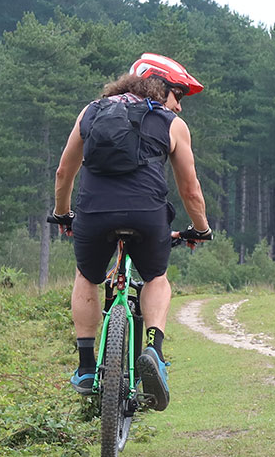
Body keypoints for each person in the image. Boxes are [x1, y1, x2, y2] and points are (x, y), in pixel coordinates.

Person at [50, 53, 213, 411]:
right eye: (178, 95)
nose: (179, 107)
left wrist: (63, 214)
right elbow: (190, 190)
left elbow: (64, 172)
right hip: (147, 214)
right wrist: (200, 229)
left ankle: (85, 365)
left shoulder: (91, 111)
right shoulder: (171, 124)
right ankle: (153, 349)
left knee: (87, 276)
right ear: (158, 85)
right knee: (156, 277)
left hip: (94, 212)